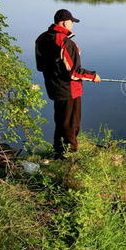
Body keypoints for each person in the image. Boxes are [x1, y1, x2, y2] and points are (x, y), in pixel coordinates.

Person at [35, 9, 101, 159]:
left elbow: (41, 66)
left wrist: (72, 54)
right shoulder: (65, 42)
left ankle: (59, 150)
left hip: (54, 86)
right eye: (72, 22)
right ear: (65, 22)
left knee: (61, 120)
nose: (72, 25)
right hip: (69, 88)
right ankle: (70, 155)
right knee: (71, 123)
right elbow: (74, 72)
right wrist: (93, 76)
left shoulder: (42, 38)